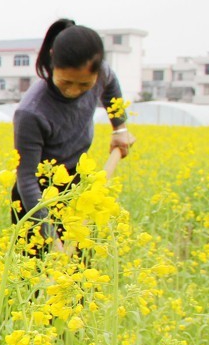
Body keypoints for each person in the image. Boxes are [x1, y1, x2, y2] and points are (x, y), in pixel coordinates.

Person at [11, 18, 136, 251]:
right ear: (51, 60)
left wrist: (119, 128)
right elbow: (26, 180)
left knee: (78, 277)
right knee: (36, 279)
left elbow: (111, 87)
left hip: (78, 186)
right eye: (66, 81)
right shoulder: (31, 112)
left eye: (84, 85)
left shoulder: (101, 75)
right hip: (37, 197)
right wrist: (51, 239)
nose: (74, 91)